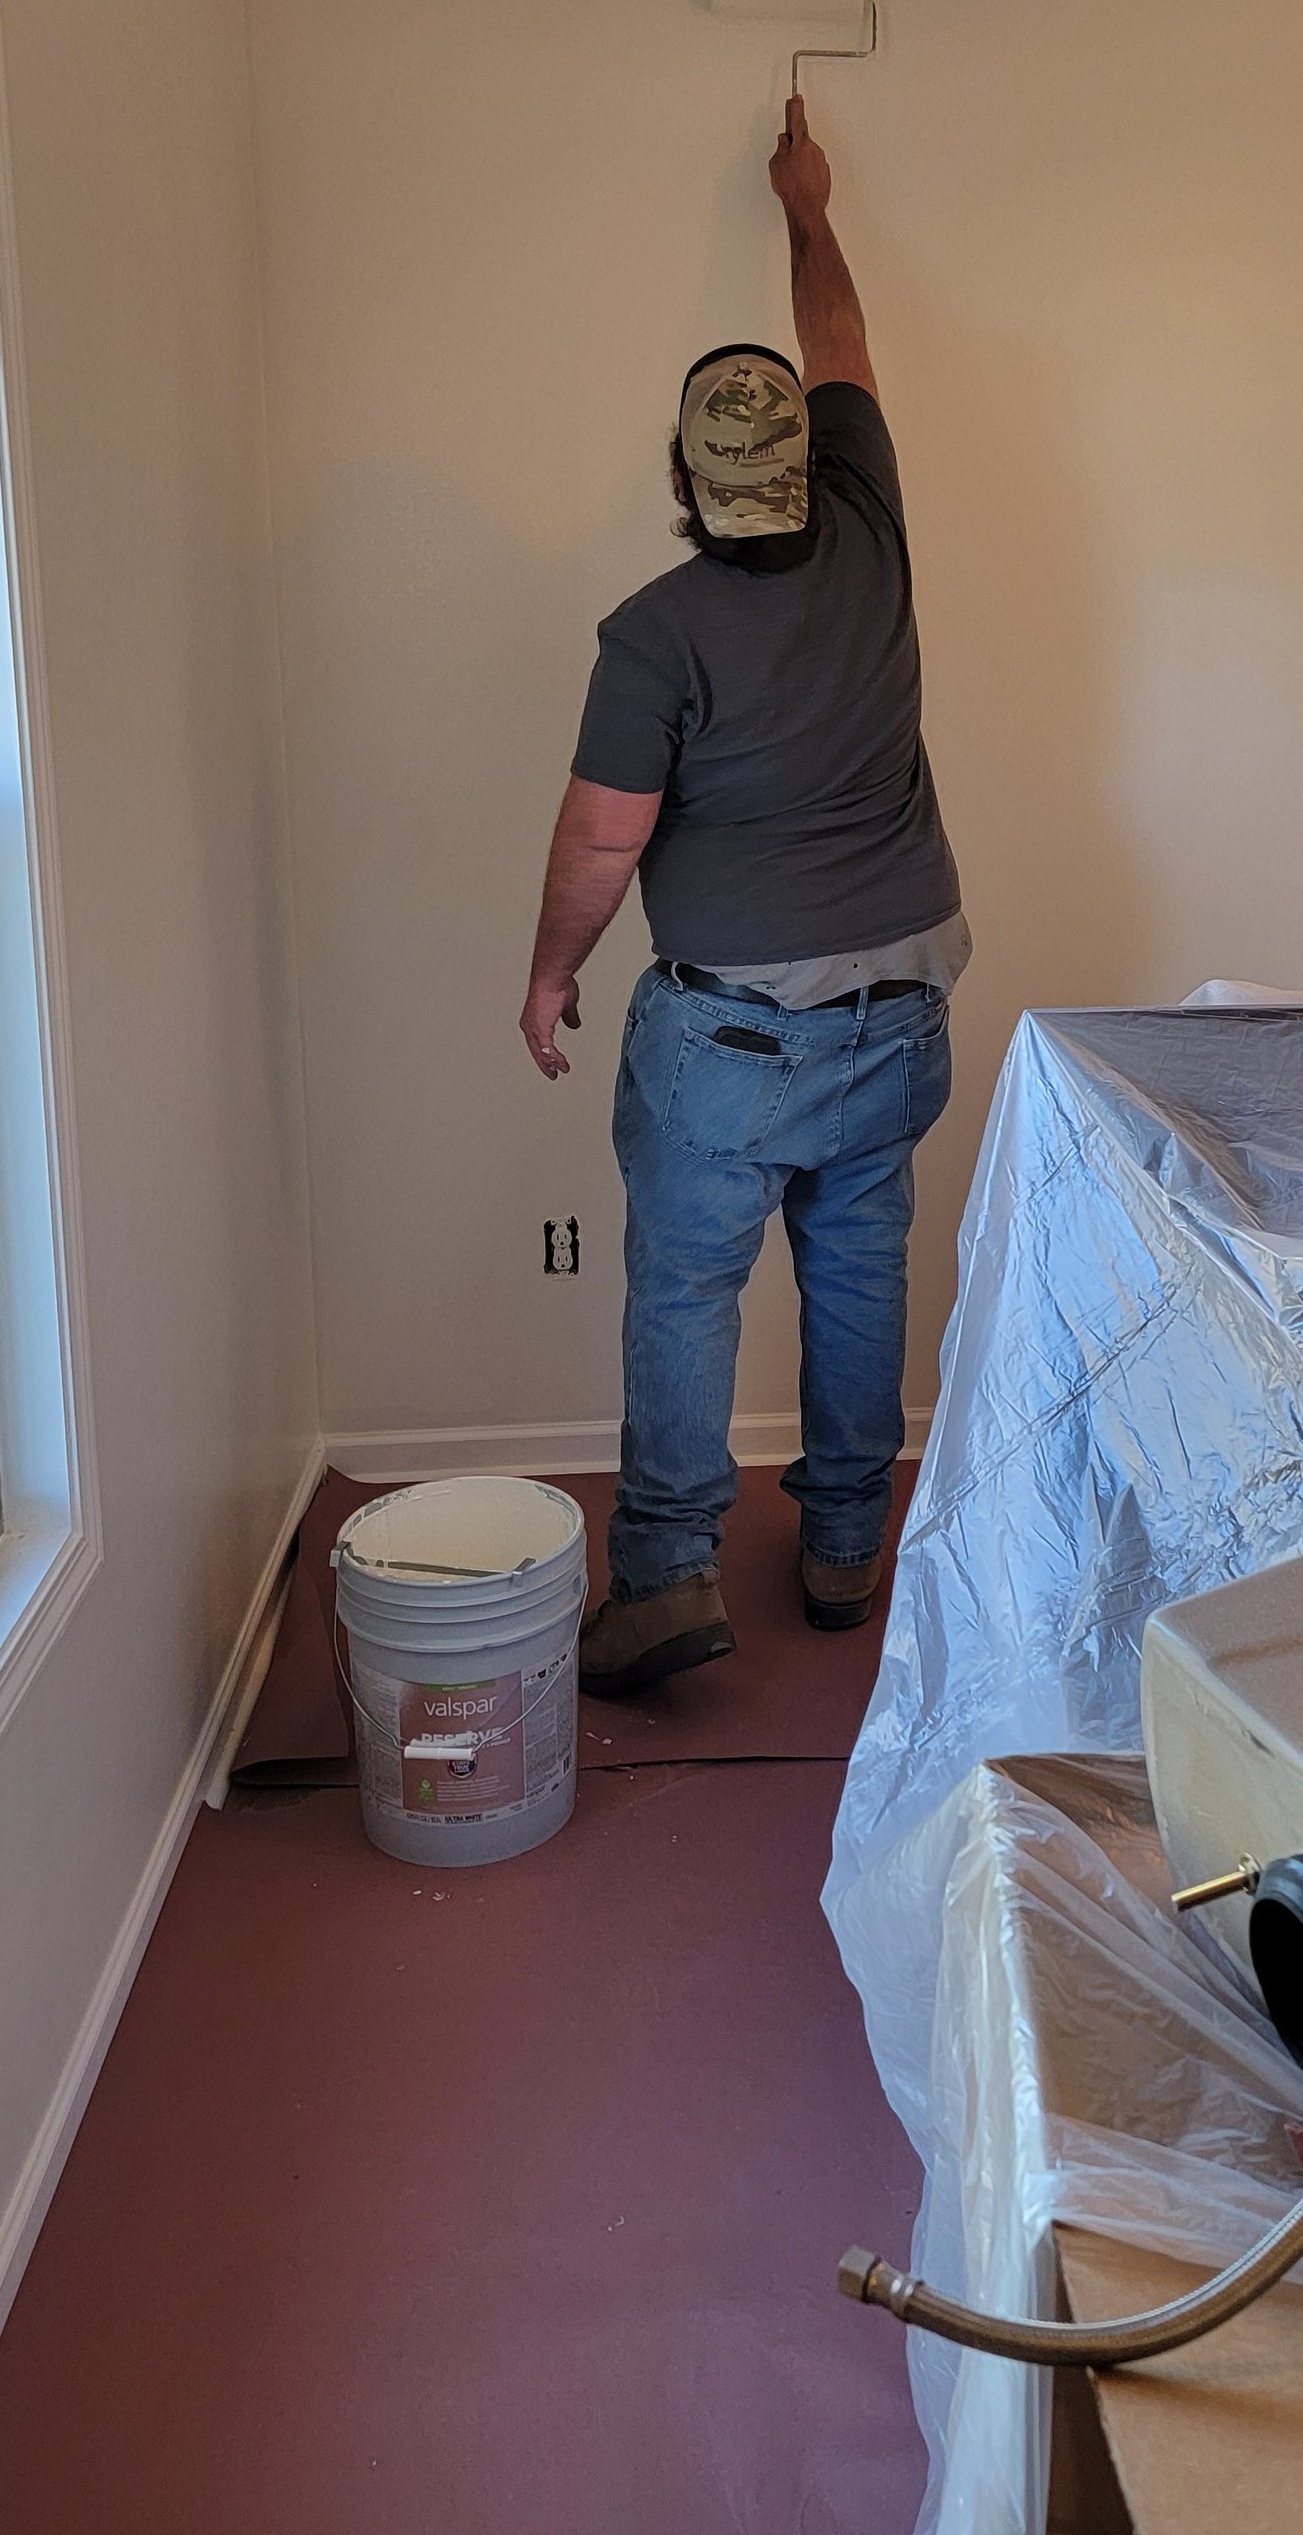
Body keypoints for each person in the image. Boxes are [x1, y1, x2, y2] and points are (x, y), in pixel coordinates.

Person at [521, 97, 966, 1696]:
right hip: (900, 1012)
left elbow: (599, 843)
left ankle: (666, 1574)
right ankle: (848, 1545)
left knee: (689, 1284)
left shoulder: (655, 631)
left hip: (733, 1039)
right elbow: (839, 340)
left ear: (687, 484)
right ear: (810, 463)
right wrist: (807, 208)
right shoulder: (873, 527)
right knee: (859, 1268)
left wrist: (551, 973)